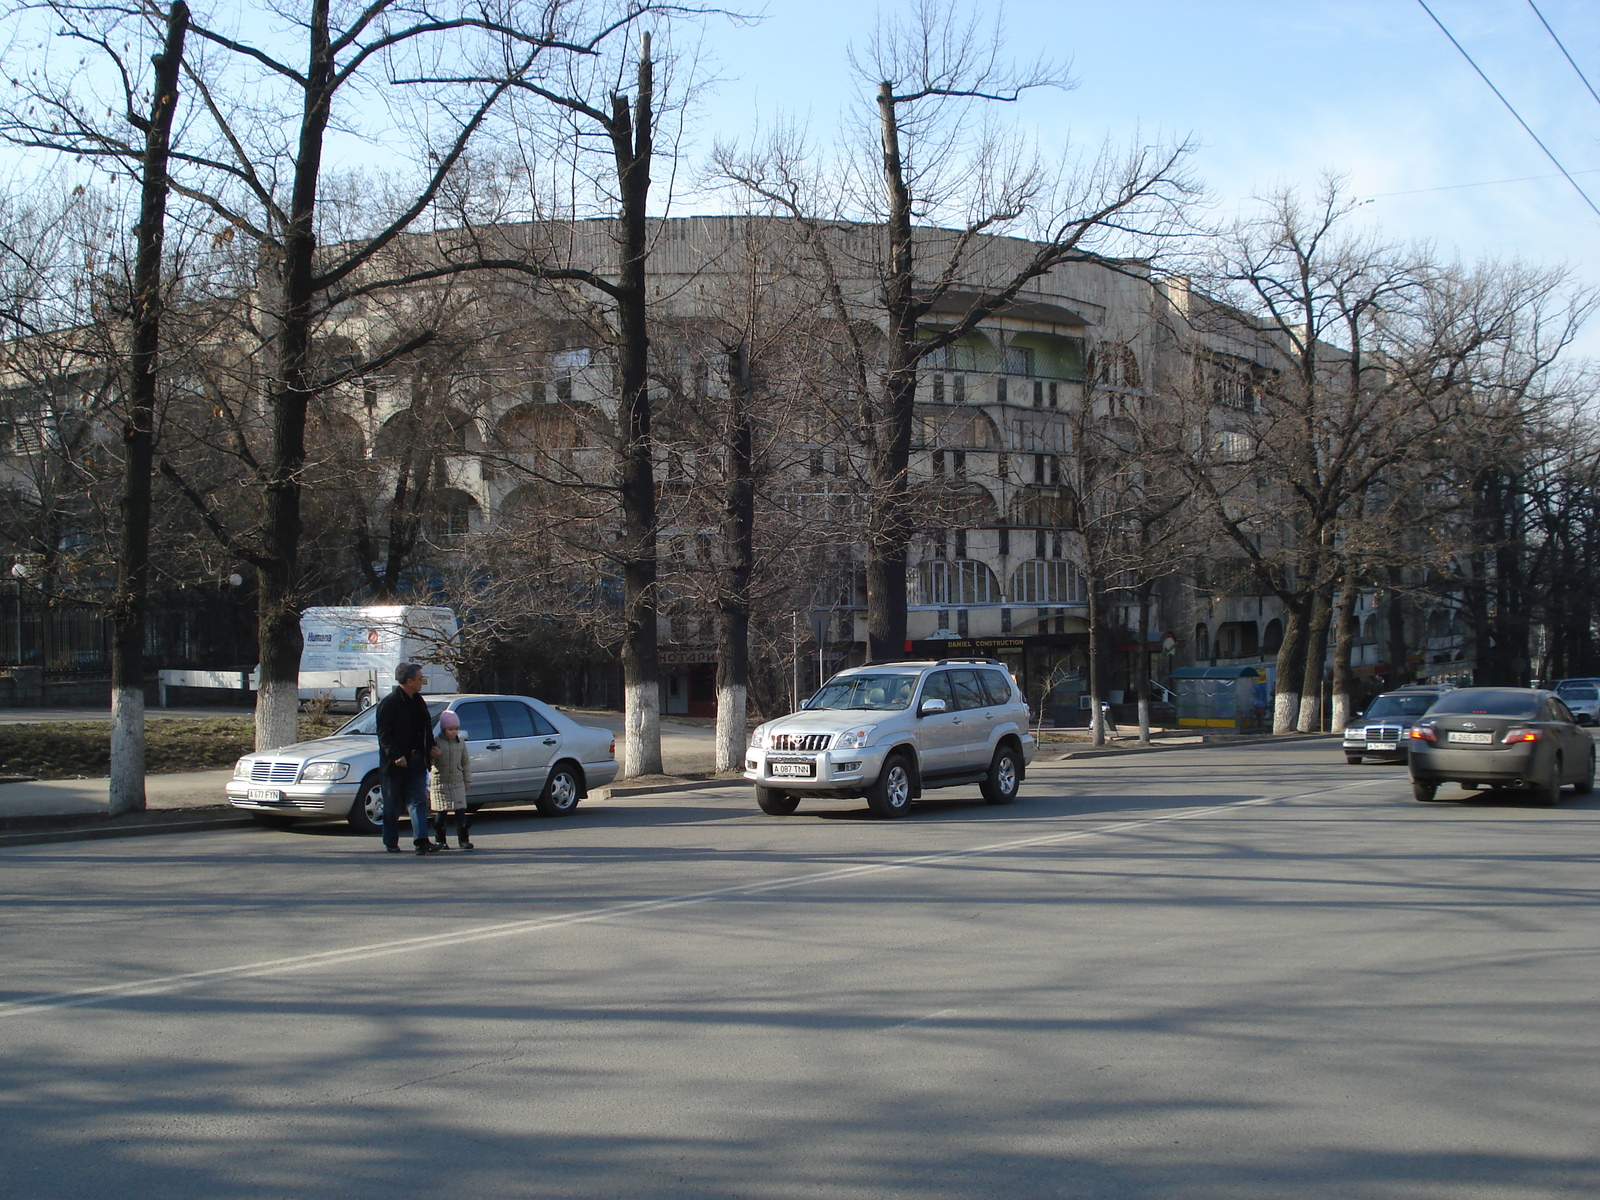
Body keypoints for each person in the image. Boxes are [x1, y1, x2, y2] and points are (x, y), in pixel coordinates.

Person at [375, 662, 439, 855]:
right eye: (420, 679)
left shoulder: (418, 701)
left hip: (417, 760)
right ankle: (391, 842)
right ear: (409, 681)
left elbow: (426, 729)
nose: (422, 682)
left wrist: (431, 747)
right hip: (395, 764)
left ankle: (421, 841)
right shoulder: (390, 703)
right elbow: (384, 735)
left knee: (418, 800)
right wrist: (395, 756)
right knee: (392, 803)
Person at [429, 710, 473, 851]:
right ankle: (440, 840)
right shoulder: (436, 742)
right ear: (443, 729)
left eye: (456, 729)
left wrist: (467, 779)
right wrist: (433, 755)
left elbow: (465, 762)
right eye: (450, 729)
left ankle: (463, 840)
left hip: (457, 781)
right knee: (441, 813)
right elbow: (429, 762)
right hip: (440, 782)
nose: (453, 732)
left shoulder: (460, 743)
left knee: (460, 812)